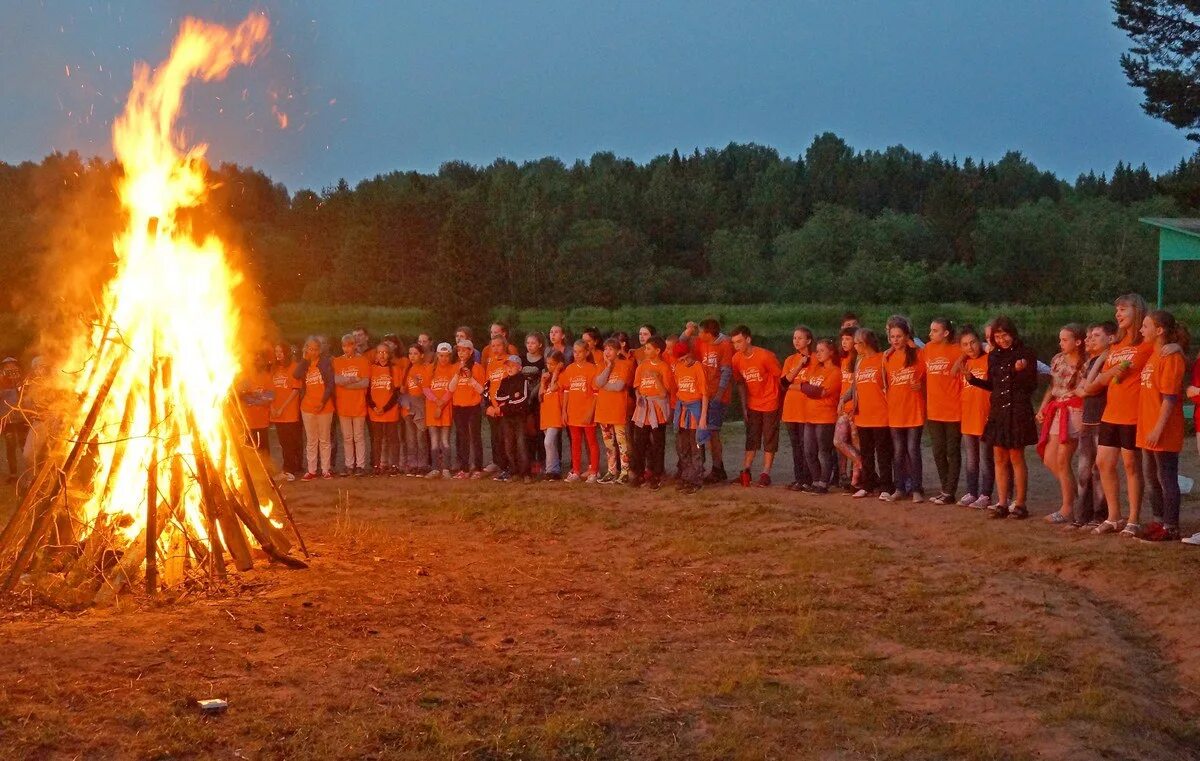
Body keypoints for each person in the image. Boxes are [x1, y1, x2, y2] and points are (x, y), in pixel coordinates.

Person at [1091, 294, 1155, 536]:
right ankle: (1113, 516)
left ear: (1136, 311)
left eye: (1123, 310)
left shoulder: (1147, 344)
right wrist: (1112, 372)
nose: (1118, 314)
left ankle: (1133, 519)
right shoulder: (1116, 345)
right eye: (1116, 310)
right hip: (1111, 413)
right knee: (1103, 462)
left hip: (1133, 414)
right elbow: (1102, 379)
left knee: (1131, 465)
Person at [966, 316, 1039, 519]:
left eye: (1004, 335)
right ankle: (1002, 502)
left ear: (1012, 334)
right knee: (999, 457)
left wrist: (1019, 372)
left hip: (1017, 411)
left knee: (1016, 456)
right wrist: (974, 381)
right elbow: (993, 384)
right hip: (998, 411)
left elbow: (1031, 385)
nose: (1001, 340)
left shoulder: (1026, 353)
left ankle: (1021, 504)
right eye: (997, 336)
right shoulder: (994, 356)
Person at [1136, 310, 1188, 542]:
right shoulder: (1154, 354)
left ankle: (1171, 526)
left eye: (1145, 326)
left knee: (1166, 476)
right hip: (1147, 426)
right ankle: (1159, 520)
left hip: (1163, 429)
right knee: (1151, 477)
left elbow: (1170, 398)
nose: (1141, 330)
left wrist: (1158, 428)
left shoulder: (1170, 357)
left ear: (1159, 330)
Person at [1036, 324, 1086, 524]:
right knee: (1049, 458)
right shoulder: (1057, 359)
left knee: (1063, 459)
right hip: (1057, 408)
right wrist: (1042, 407)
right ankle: (1077, 499)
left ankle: (1067, 508)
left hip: (1074, 410)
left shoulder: (1085, 363)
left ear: (1078, 342)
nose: (1061, 343)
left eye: (1065, 340)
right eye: (1061, 339)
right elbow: (1053, 386)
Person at [1069, 322, 1115, 529]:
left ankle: (1099, 514)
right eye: (1090, 336)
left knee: (1099, 470)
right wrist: (1087, 386)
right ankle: (1082, 515)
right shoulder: (1093, 361)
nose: (1091, 339)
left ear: (1110, 338)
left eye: (1096, 335)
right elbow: (1080, 389)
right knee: (1084, 470)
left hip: (1101, 419)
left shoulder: (1109, 360)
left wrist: (1087, 387)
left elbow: (1091, 388)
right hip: (1088, 420)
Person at [730, 325, 782, 487]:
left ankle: (765, 472)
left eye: (739, 341)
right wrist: (744, 405)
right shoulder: (736, 359)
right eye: (734, 343)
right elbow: (740, 382)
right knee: (752, 437)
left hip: (770, 401)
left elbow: (780, 378)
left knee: (769, 437)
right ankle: (746, 470)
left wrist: (779, 401)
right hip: (753, 403)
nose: (736, 345)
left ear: (748, 339)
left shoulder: (765, 356)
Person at [883, 316, 926, 503]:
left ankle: (916, 489)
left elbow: (927, 376)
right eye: (892, 337)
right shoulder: (888, 357)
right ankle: (899, 487)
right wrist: (892, 348)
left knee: (913, 450)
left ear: (907, 336)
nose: (895, 340)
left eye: (899, 336)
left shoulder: (917, 354)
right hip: (895, 411)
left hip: (914, 410)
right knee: (898, 452)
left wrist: (921, 387)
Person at [686, 318, 733, 484]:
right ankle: (709, 467)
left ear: (708, 333)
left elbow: (726, 370)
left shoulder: (725, 344)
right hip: (704, 392)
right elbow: (682, 344)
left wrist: (720, 393)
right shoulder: (701, 342)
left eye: (700, 331)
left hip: (716, 393)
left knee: (712, 431)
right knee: (704, 430)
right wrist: (688, 331)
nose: (698, 334)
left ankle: (717, 468)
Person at [850, 329, 893, 499]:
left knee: (883, 453)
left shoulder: (882, 358)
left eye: (856, 343)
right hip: (863, 415)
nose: (854, 346)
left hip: (881, 414)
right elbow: (856, 387)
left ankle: (886, 486)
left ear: (865, 343)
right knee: (866, 452)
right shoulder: (860, 362)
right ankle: (867, 484)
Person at [924, 318, 963, 504]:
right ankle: (945, 488)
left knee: (952, 451)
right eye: (931, 330)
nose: (930, 334)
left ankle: (950, 491)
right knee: (938, 451)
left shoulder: (957, 349)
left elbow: (975, 349)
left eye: (935, 330)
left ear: (946, 333)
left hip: (953, 408)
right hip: (934, 409)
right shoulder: (928, 349)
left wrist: (961, 359)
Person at [798, 338, 843, 494]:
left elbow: (822, 392)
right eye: (817, 351)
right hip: (810, 415)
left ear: (831, 352)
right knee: (809, 450)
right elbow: (803, 386)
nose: (818, 354)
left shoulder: (836, 372)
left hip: (825, 416)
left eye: (822, 350)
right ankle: (816, 480)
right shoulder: (815, 369)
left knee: (823, 451)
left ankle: (824, 482)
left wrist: (809, 389)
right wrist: (808, 389)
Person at [629, 335, 673, 489]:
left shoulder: (664, 367)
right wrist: (639, 397)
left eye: (648, 349)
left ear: (658, 350)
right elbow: (636, 387)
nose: (645, 351)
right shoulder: (641, 366)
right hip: (644, 407)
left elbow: (663, 393)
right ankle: (639, 473)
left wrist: (656, 379)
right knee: (639, 442)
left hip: (657, 408)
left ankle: (657, 474)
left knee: (657, 443)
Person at [956, 326, 993, 509]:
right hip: (968, 417)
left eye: (972, 342)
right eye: (965, 345)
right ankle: (972, 491)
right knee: (971, 459)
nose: (970, 347)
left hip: (985, 416)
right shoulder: (965, 363)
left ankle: (986, 494)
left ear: (980, 342)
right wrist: (962, 357)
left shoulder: (989, 359)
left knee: (986, 458)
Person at [593, 338, 635, 484]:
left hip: (617, 410)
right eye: (605, 349)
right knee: (609, 444)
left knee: (622, 442)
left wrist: (604, 385)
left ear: (617, 351)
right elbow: (598, 383)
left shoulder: (625, 365)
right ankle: (611, 471)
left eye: (610, 349)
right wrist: (608, 367)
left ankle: (625, 471)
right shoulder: (602, 365)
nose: (607, 352)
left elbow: (619, 386)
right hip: (603, 411)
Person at [294, 336, 335, 480]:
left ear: (320, 350)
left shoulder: (325, 363)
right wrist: (305, 360)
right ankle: (311, 470)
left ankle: (325, 469)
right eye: (310, 349)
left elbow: (330, 384)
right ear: (306, 349)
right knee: (311, 440)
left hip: (324, 406)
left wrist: (323, 402)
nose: (313, 352)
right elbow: (296, 375)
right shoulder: (304, 364)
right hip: (307, 406)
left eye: (316, 349)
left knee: (324, 439)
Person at [780, 326, 814, 491]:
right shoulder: (790, 360)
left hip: (807, 409)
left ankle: (808, 479)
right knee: (795, 446)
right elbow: (784, 383)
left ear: (808, 340)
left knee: (806, 445)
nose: (796, 341)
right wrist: (799, 366)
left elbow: (812, 385)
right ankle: (798, 478)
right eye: (794, 338)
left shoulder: (816, 359)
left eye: (800, 338)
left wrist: (796, 385)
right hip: (791, 408)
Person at [672, 340, 709, 494]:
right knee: (683, 446)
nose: (684, 362)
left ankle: (697, 479)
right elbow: (678, 388)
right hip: (683, 409)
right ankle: (686, 476)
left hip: (695, 409)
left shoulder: (698, 367)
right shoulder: (679, 367)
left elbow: (705, 394)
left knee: (696, 447)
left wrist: (703, 418)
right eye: (681, 359)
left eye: (685, 358)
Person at [561, 340, 600, 482]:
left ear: (587, 352)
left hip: (586, 411)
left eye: (580, 352)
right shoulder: (570, 369)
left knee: (591, 442)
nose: (576, 354)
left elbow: (596, 392)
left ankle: (594, 471)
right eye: (575, 352)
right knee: (575, 442)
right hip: (573, 412)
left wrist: (591, 412)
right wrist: (564, 411)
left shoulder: (592, 369)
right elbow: (566, 390)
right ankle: (576, 471)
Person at [333, 334, 371, 476]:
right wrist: (353, 379)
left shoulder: (362, 361)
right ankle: (349, 464)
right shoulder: (337, 361)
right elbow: (336, 380)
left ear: (355, 345)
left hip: (359, 404)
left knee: (359, 436)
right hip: (343, 405)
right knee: (347, 437)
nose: (347, 348)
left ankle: (360, 465)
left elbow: (365, 382)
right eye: (344, 345)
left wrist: (346, 383)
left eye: (349, 345)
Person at [491, 354, 534, 482]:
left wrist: (506, 405)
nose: (509, 368)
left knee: (521, 444)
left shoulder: (523, 381)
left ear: (519, 368)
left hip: (520, 417)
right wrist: (511, 398)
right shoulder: (504, 381)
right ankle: (514, 471)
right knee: (509, 445)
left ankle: (526, 473)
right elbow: (499, 397)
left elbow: (522, 400)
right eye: (507, 366)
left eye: (513, 366)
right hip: (507, 418)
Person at [448, 339, 486, 479]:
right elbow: (450, 388)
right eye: (459, 350)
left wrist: (470, 378)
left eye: (464, 350)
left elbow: (482, 390)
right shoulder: (455, 367)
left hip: (473, 406)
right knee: (463, 437)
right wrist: (458, 375)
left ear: (471, 351)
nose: (461, 353)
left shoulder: (477, 368)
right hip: (459, 406)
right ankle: (464, 468)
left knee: (475, 437)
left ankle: (477, 467)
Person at [366, 342, 403, 476]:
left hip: (390, 410)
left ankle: (394, 465)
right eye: (379, 352)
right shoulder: (371, 369)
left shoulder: (394, 369)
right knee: (377, 439)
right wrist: (374, 407)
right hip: (375, 411)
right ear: (376, 354)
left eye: (385, 352)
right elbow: (367, 392)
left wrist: (385, 408)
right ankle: (376, 465)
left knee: (393, 438)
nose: (382, 355)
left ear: (389, 354)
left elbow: (397, 393)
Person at [269, 342, 304, 481]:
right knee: (283, 442)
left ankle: (290, 470)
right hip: (277, 413)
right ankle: (288, 468)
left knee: (291, 442)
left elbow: (296, 390)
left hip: (289, 412)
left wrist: (283, 407)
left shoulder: (294, 367)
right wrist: (273, 408)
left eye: (281, 351)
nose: (278, 354)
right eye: (276, 351)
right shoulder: (274, 369)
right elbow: (269, 390)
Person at [833, 327, 862, 492]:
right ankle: (862, 463)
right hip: (844, 408)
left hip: (856, 409)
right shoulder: (843, 360)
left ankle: (855, 481)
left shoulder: (859, 359)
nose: (844, 342)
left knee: (856, 443)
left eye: (848, 339)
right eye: (843, 339)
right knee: (838, 441)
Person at [422, 343, 456, 478]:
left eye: (447, 356)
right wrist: (436, 402)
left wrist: (441, 404)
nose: (444, 359)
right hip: (432, 408)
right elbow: (425, 388)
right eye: (441, 356)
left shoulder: (453, 369)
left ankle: (446, 468)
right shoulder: (430, 369)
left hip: (446, 408)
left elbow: (451, 389)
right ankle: (436, 468)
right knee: (434, 440)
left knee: (445, 440)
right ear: (437, 355)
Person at [483, 335, 512, 474]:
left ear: (504, 346)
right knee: (495, 437)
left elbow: (511, 385)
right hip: (493, 405)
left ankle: (510, 465)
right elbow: (487, 385)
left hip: (505, 405)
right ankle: (500, 465)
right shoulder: (491, 363)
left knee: (506, 436)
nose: (495, 348)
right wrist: (490, 405)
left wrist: (501, 405)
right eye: (493, 346)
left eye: (498, 345)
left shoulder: (509, 361)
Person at [238, 348, 274, 453]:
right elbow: (242, 396)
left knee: (264, 450)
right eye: (255, 359)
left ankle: (266, 469)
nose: (256, 361)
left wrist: (253, 398)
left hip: (262, 421)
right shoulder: (245, 378)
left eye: (259, 359)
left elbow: (269, 397)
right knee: (250, 450)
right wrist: (257, 398)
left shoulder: (266, 377)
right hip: (248, 421)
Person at [402, 344, 430, 476]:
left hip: (421, 407)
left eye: (415, 353)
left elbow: (427, 389)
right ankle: (412, 464)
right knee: (411, 438)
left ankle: (423, 464)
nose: (412, 356)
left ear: (422, 355)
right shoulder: (408, 369)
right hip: (408, 407)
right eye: (410, 353)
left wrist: (418, 382)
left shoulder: (425, 369)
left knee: (421, 437)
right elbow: (403, 391)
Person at [522, 332, 548, 474]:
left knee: (539, 432)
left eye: (533, 343)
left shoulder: (543, 361)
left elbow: (542, 381)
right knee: (528, 432)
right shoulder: (522, 359)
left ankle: (542, 461)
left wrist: (532, 395)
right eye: (528, 343)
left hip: (537, 400)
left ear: (540, 344)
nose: (530, 345)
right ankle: (531, 461)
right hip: (524, 401)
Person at [539, 350, 567, 480]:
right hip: (546, 413)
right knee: (551, 444)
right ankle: (554, 469)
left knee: (548, 442)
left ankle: (551, 469)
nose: (549, 367)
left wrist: (556, 372)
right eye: (548, 364)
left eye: (552, 364)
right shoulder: (546, 376)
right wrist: (542, 382)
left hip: (556, 413)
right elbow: (540, 396)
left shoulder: (562, 375)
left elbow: (554, 387)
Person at [0, 357, 25, 483]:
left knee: (23, 445)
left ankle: (29, 472)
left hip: (21, 418)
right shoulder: (1, 380)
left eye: (12, 365)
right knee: (10, 446)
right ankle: (14, 474)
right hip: (7, 419)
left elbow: (25, 396)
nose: (10, 367)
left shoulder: (21, 379)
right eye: (7, 366)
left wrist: (18, 384)